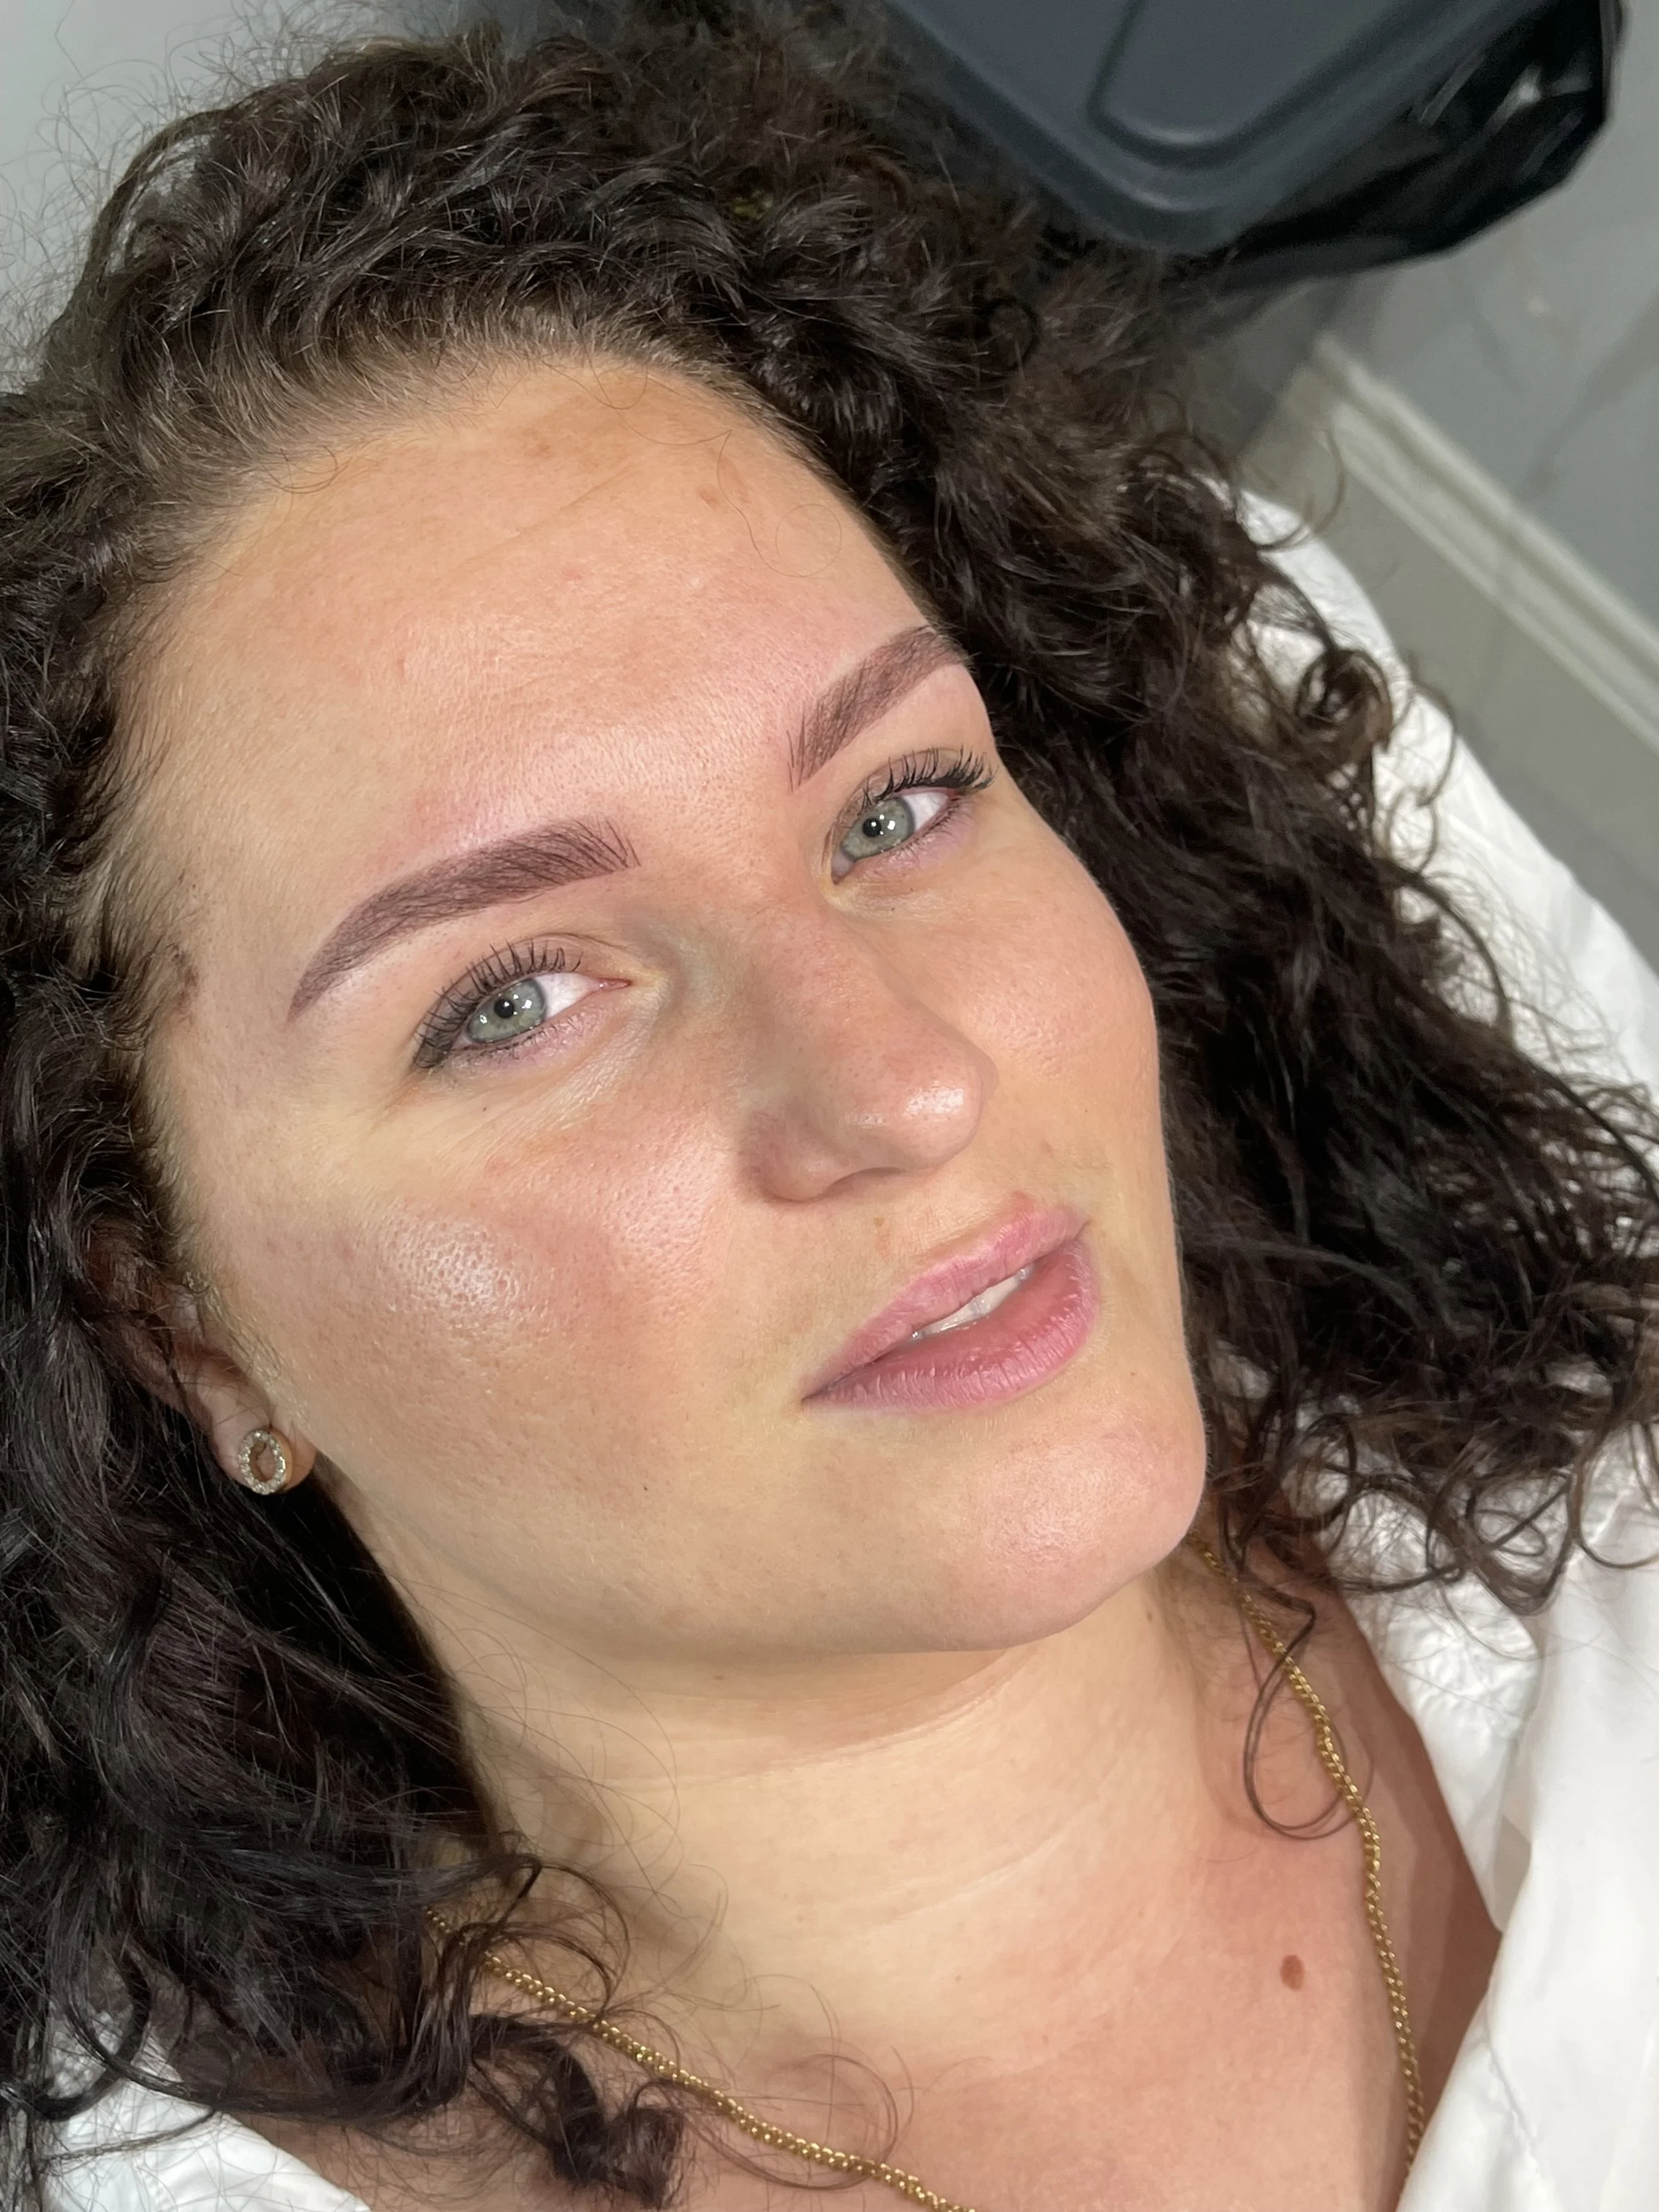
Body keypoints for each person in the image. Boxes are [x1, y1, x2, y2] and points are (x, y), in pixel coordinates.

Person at [1, 7, 1655, 2209]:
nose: (904, 1077)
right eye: (508, 997)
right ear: (182, 1319)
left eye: (899, 799)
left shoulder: (1553, 1409)